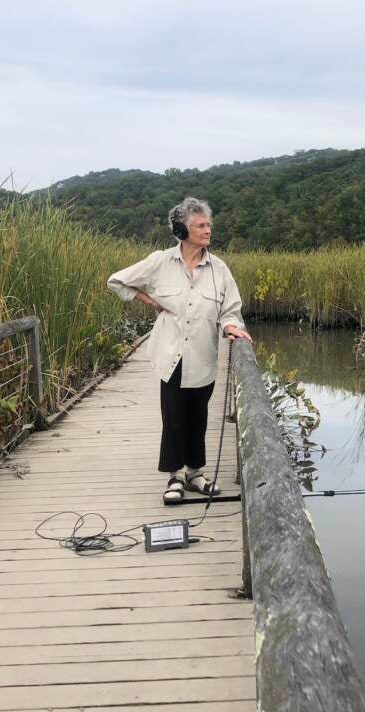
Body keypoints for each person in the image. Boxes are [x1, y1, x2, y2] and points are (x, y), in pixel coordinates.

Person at [107, 197, 253, 504]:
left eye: (208, 224)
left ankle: (195, 474)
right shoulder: (160, 262)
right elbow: (117, 281)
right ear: (181, 230)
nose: (207, 230)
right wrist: (150, 301)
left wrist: (230, 327)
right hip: (170, 354)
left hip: (203, 356)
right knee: (173, 417)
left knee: (198, 417)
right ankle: (174, 476)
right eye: (200, 225)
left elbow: (231, 310)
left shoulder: (219, 269)